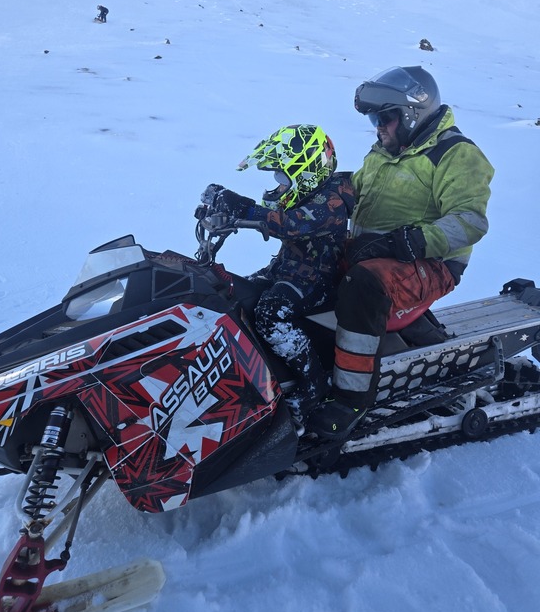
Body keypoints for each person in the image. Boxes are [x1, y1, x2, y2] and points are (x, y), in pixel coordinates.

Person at [307, 66, 495, 440]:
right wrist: (315, 199)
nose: (378, 127)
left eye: (385, 118)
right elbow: (356, 190)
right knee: (310, 263)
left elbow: (469, 220)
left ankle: (351, 399)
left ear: (412, 114)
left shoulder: (456, 154)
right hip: (374, 254)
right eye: (374, 119)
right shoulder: (384, 152)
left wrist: (409, 242)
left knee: (363, 285)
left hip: (432, 263)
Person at [202, 124, 355, 429]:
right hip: (287, 270)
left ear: (307, 171)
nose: (278, 186)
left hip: (317, 281)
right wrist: (221, 212)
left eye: (282, 178)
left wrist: (243, 208)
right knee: (237, 294)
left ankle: (312, 383)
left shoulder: (333, 199)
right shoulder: (313, 191)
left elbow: (290, 224)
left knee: (271, 313)